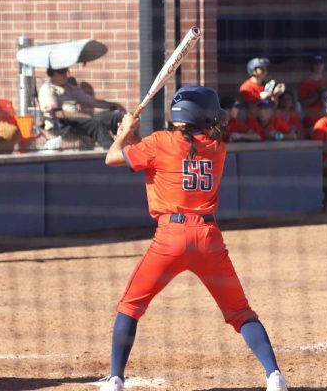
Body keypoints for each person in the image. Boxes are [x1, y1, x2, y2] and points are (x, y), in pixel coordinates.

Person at [99, 85, 288, 391]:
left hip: (170, 239)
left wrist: (124, 133)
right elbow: (165, 157)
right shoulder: (217, 147)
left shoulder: (159, 142)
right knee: (240, 312)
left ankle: (116, 379)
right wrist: (133, 137)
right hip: (208, 238)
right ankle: (274, 375)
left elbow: (112, 158)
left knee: (130, 307)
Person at [38, 66, 126, 148]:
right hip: (61, 125)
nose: (65, 74)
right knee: (95, 124)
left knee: (115, 117)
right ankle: (111, 153)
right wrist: (84, 116)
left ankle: (126, 149)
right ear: (52, 73)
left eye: (66, 70)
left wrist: (114, 104)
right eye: (62, 71)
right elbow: (56, 113)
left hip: (80, 121)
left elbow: (92, 101)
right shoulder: (47, 89)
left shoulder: (70, 88)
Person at [298, 55, 327, 134]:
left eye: (320, 64)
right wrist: (317, 94)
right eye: (316, 64)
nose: (318, 66)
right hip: (312, 120)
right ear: (312, 65)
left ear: (323, 65)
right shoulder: (305, 82)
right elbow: (303, 103)